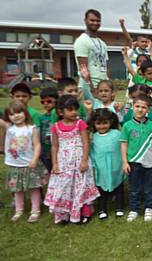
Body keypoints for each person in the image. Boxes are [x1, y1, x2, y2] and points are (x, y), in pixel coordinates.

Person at [44, 95, 100, 225]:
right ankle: (64, 213)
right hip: (64, 162)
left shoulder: (80, 124)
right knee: (64, 187)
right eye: (70, 109)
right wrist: (55, 164)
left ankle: (84, 212)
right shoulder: (56, 127)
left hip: (79, 160)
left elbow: (86, 143)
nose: (74, 112)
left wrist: (85, 161)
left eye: (75, 109)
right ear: (60, 112)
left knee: (81, 185)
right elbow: (54, 146)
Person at [1, 101, 48, 223]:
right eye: (12, 114)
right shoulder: (9, 127)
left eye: (18, 112)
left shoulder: (31, 129)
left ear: (25, 113)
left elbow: (37, 145)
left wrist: (34, 160)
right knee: (17, 189)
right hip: (14, 165)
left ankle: (35, 210)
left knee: (34, 188)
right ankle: (19, 210)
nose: (16, 116)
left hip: (29, 164)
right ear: (8, 116)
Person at [89, 109, 125, 220]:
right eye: (98, 123)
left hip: (116, 165)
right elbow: (91, 152)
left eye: (105, 123)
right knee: (101, 189)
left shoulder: (117, 134)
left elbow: (123, 145)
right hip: (101, 167)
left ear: (110, 122)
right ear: (94, 124)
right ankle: (102, 209)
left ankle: (119, 207)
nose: (102, 126)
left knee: (119, 187)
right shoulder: (93, 137)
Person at [74, 9, 109, 89]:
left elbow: (106, 66)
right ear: (85, 21)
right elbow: (83, 69)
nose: (95, 23)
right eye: (92, 20)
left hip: (102, 86)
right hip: (89, 86)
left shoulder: (102, 43)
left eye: (98, 21)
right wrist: (92, 89)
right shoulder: (82, 41)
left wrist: (108, 83)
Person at [39, 87, 58, 171]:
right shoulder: (41, 117)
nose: (46, 104)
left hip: (56, 148)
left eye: (49, 101)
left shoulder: (59, 116)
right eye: (43, 102)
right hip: (44, 149)